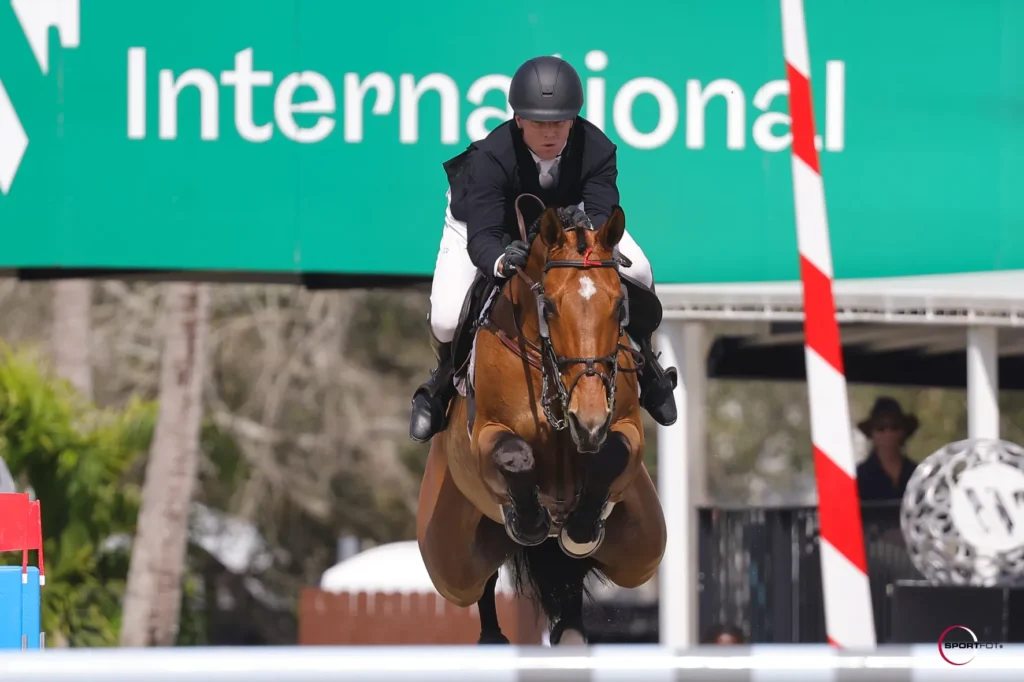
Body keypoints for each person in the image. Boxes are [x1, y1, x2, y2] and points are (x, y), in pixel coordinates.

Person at [408, 55, 678, 443]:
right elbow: (483, 236)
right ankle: (440, 384)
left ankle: (647, 362)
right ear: (518, 120)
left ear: (573, 120)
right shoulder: (490, 158)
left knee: (640, 271)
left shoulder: (598, 149)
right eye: (538, 123)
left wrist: (587, 233)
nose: (550, 134)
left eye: (558, 123)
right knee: (447, 319)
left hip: (569, 224)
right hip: (484, 224)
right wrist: (501, 260)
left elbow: (602, 217)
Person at [855, 396, 919, 501]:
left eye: (895, 427)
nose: (888, 433)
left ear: (903, 432)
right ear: (872, 434)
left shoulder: (917, 474)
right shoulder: (860, 476)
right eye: (881, 428)